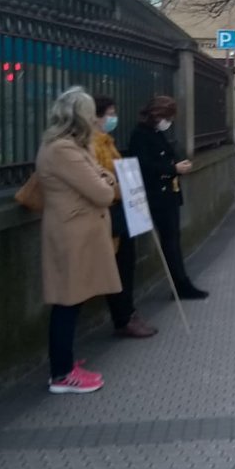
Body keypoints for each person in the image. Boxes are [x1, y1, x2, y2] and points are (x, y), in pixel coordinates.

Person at [37, 87, 121, 393]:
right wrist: (105, 180)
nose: (98, 120)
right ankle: (61, 374)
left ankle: (65, 362)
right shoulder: (63, 150)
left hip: (78, 233)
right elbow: (103, 192)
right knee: (67, 302)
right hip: (71, 235)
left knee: (73, 301)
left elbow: (105, 178)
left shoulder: (73, 147)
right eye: (91, 114)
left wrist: (104, 179)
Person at [128, 96, 209, 300]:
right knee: (170, 242)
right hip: (156, 195)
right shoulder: (140, 135)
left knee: (173, 240)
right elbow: (144, 165)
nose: (169, 122)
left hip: (168, 194)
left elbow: (167, 155)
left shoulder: (157, 133)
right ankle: (180, 284)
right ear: (157, 115)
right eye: (168, 117)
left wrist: (178, 165)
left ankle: (181, 282)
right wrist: (172, 168)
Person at [93, 95, 157, 339]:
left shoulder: (108, 142)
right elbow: (102, 182)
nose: (113, 118)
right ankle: (123, 317)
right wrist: (123, 189)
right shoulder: (93, 146)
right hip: (109, 214)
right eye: (109, 113)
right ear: (96, 117)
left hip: (122, 212)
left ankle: (127, 313)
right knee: (118, 269)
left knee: (126, 266)